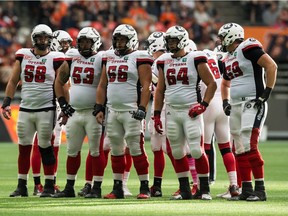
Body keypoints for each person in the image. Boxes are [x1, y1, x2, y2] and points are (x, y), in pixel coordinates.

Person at [1, 24, 65, 197]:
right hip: (26, 108)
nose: (43, 41)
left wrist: (64, 105)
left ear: (50, 40)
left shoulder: (56, 57)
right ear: (34, 38)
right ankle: (22, 185)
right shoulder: (24, 55)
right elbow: (14, 81)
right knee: (23, 148)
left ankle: (49, 185)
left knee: (45, 147)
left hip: (46, 108)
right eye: (40, 37)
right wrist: (6, 101)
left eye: (46, 38)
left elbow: (60, 84)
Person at [154, 25, 217, 200]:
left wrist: (203, 105)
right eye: (169, 41)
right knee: (177, 152)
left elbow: (211, 83)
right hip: (172, 111)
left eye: (174, 40)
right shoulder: (164, 60)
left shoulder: (195, 58)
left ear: (182, 40)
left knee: (197, 150)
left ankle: (204, 189)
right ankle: (184, 190)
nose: (171, 44)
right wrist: (157, 114)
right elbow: (160, 90)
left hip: (191, 110)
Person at [218, 23, 277, 201]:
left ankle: (260, 189)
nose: (220, 41)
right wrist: (226, 101)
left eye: (222, 37)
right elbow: (225, 83)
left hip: (253, 102)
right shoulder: (227, 57)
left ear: (231, 36)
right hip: (235, 106)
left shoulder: (248, 47)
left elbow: (271, 66)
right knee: (239, 149)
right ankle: (246, 189)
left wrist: (267, 91)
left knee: (249, 145)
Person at [95, 24, 153, 199]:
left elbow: (146, 85)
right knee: (116, 150)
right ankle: (117, 187)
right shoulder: (109, 56)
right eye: (117, 39)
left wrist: (142, 108)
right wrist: (99, 107)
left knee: (136, 149)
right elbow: (103, 84)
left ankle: (145, 187)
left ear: (132, 40)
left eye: (123, 40)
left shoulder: (139, 56)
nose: (120, 43)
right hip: (112, 110)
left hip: (132, 110)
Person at [53, 27, 106, 198]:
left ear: (95, 42)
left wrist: (102, 107)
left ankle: (96, 188)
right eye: (81, 41)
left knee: (96, 152)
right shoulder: (72, 56)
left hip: (93, 112)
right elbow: (59, 81)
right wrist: (63, 103)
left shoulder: (101, 58)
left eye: (87, 41)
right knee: (72, 150)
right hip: (75, 112)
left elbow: (106, 85)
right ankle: (69, 187)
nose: (84, 44)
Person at [31, 29, 73, 196]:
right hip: (50, 102)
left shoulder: (63, 57)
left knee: (54, 145)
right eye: (63, 43)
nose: (66, 46)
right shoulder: (53, 58)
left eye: (68, 43)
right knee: (43, 143)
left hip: (58, 102)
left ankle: (51, 181)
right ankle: (39, 183)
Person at [201, 47, 239, 198]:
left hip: (208, 102)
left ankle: (202, 186)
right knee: (226, 148)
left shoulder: (198, 58)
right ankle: (234, 184)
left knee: (204, 148)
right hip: (223, 101)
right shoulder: (221, 59)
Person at [145, 31, 177, 197]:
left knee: (172, 148)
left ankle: (186, 182)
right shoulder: (165, 60)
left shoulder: (161, 61)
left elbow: (159, 86)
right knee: (157, 148)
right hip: (160, 107)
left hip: (165, 107)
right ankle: (156, 186)